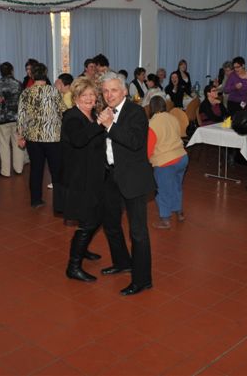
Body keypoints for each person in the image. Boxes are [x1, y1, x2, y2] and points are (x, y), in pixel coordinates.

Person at [96, 72, 156, 296]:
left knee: (138, 232)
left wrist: (110, 125)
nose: (108, 95)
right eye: (105, 91)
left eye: (113, 90)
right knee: (110, 223)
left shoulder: (136, 112)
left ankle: (142, 279)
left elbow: (134, 142)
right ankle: (122, 262)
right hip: (110, 175)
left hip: (133, 178)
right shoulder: (106, 112)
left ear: (124, 92)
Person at [60, 77, 107, 282]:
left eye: (91, 94)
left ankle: (82, 248)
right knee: (89, 219)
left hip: (95, 174)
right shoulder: (72, 117)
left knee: (96, 216)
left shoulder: (93, 114)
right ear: (76, 98)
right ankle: (73, 266)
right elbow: (79, 140)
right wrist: (98, 123)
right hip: (80, 177)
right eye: (84, 95)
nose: (89, 98)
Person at [17, 62, 66, 208]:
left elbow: (21, 116)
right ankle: (60, 201)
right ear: (46, 74)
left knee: (36, 169)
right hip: (53, 136)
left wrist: (21, 136)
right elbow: (63, 111)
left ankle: (35, 200)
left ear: (32, 75)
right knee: (56, 170)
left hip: (33, 137)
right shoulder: (53, 91)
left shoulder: (26, 92)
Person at [147, 96, 189, 229]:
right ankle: (179, 211)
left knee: (162, 190)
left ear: (151, 108)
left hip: (165, 161)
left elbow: (149, 147)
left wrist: (146, 160)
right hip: (182, 157)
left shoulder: (151, 124)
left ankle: (165, 219)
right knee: (176, 186)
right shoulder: (173, 118)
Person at [0, 62, 24, 177]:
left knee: (4, 145)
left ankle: (5, 172)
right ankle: (18, 169)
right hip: (16, 118)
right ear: (12, 70)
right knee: (17, 144)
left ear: (1, 72)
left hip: (2, 119)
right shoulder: (18, 83)